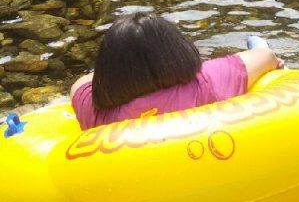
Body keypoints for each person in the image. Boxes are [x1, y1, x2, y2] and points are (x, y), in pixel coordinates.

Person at [70, 12, 284, 130]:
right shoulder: (202, 85)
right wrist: (269, 58)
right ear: (177, 53)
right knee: (258, 51)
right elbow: (266, 57)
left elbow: (79, 85)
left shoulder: (96, 113)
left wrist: (114, 73)